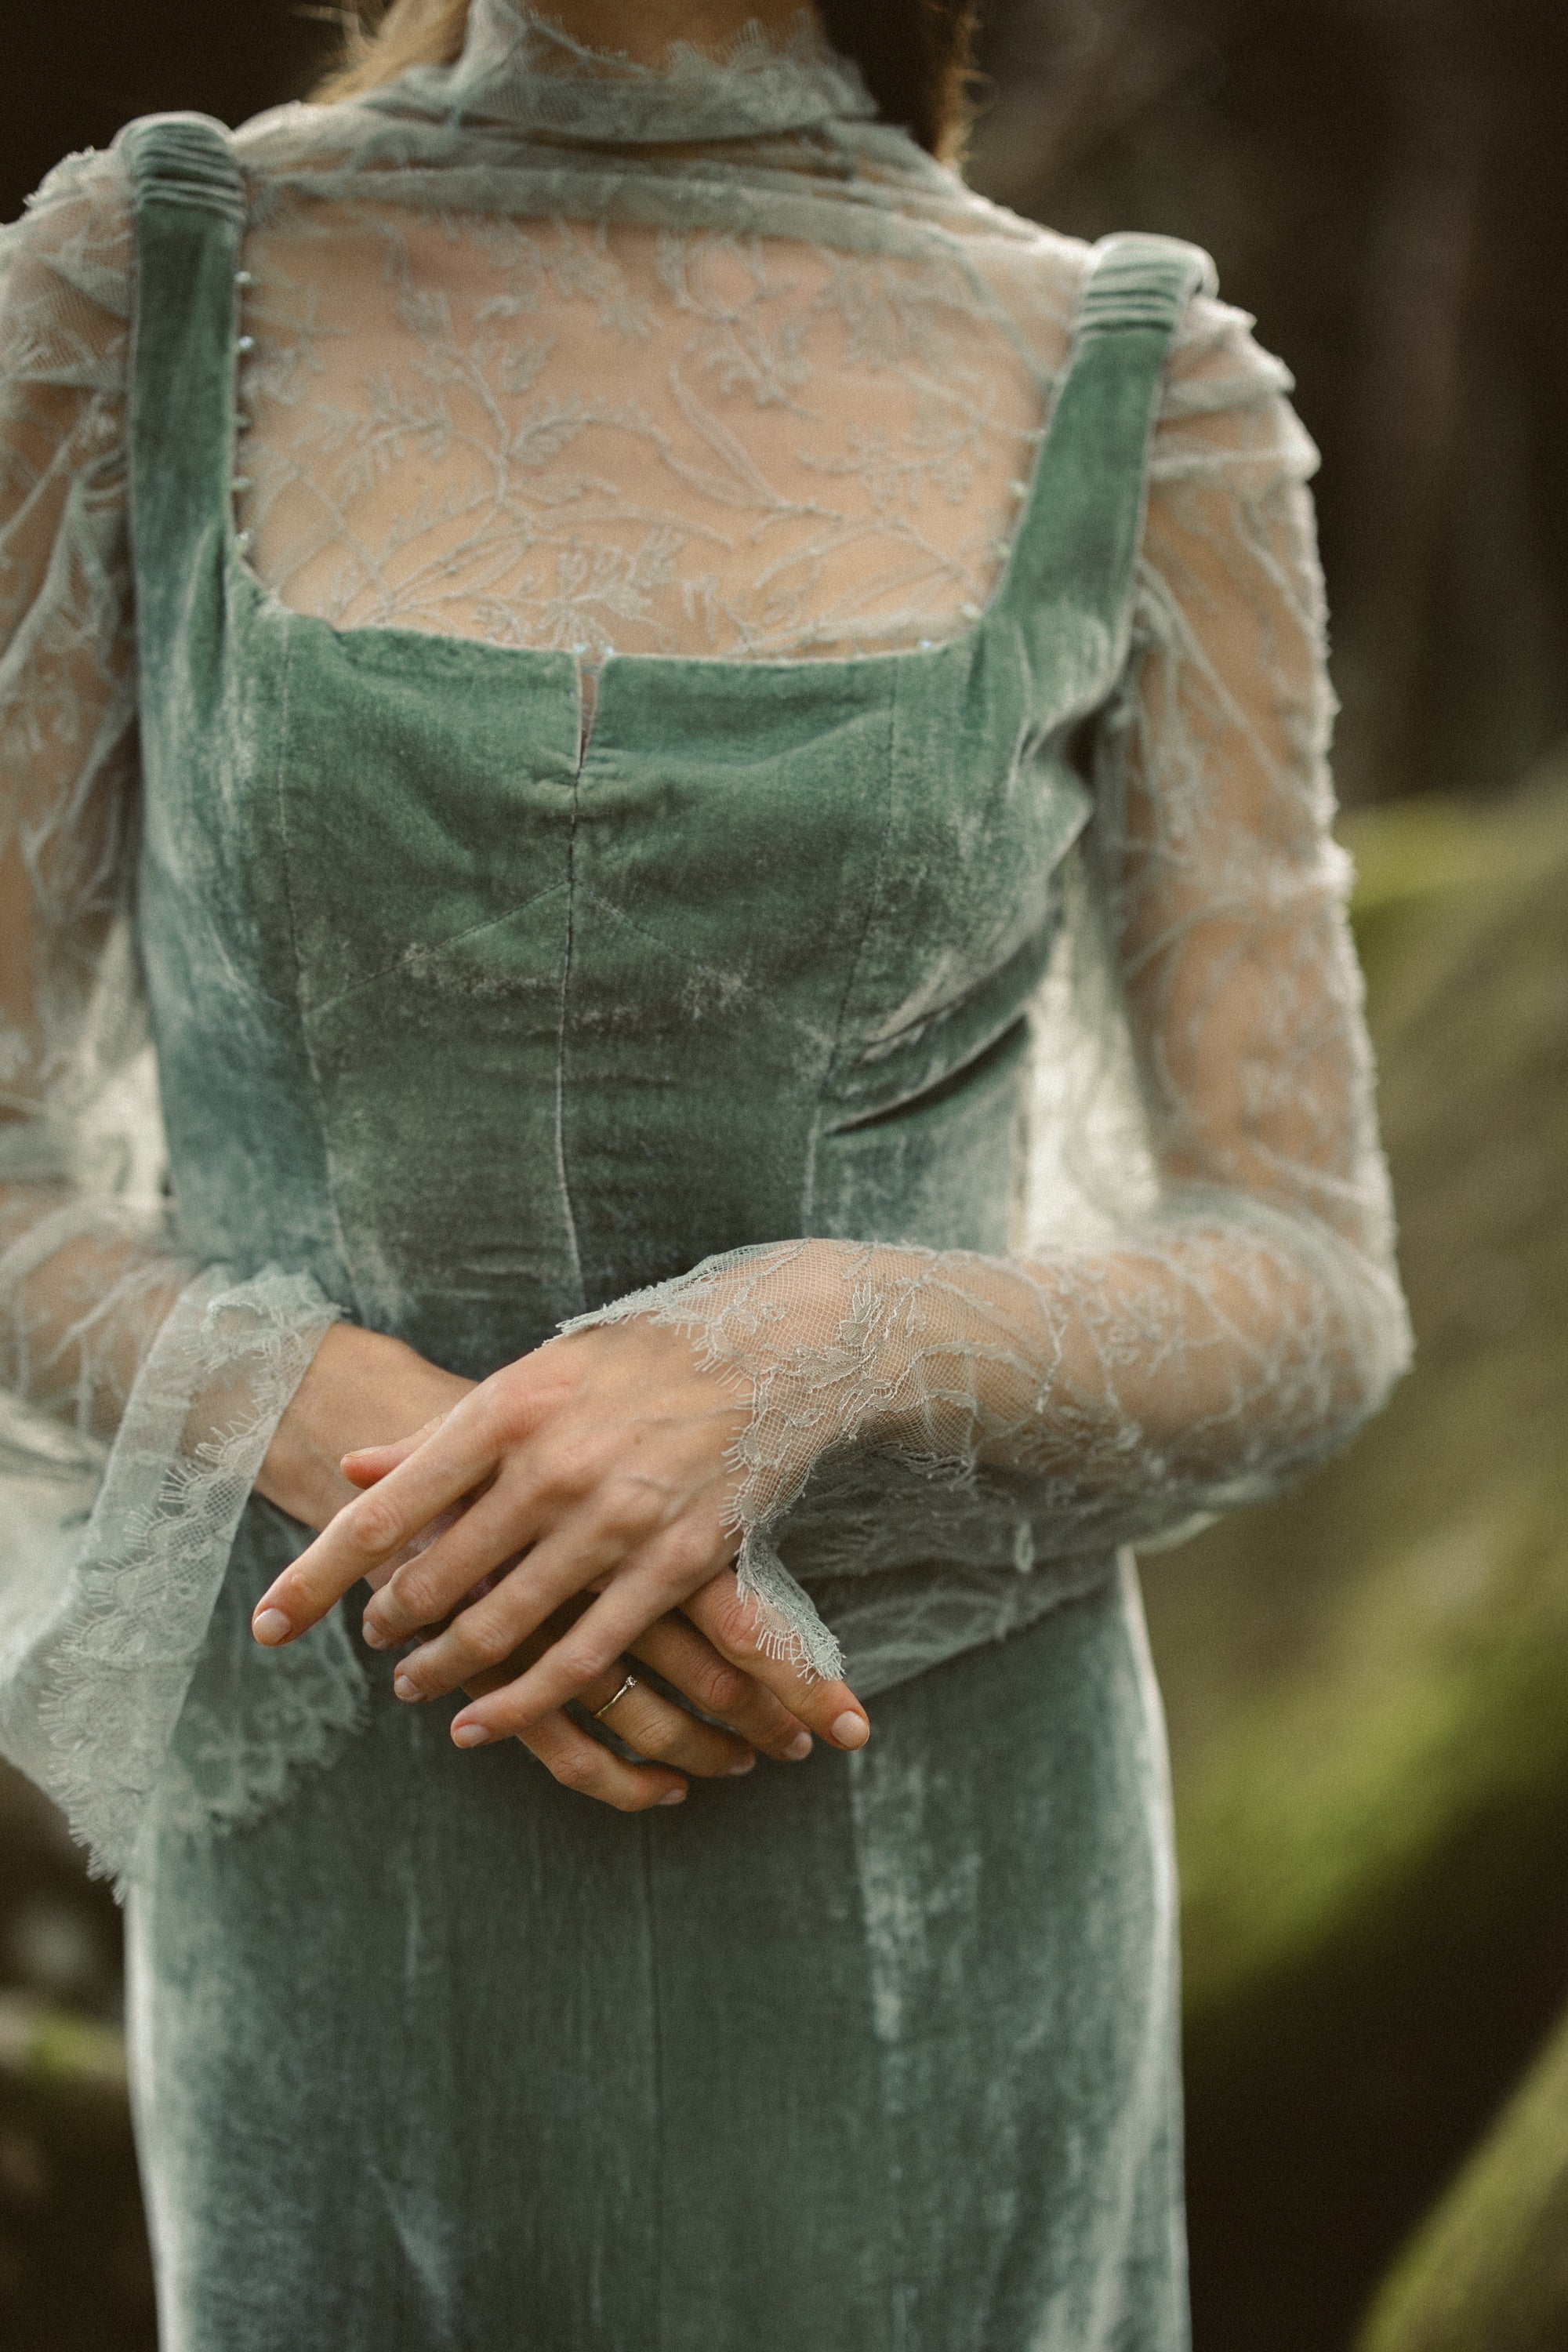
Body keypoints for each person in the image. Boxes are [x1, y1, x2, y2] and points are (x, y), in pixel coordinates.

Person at [0, 0, 1412, 2342]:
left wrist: (811, 1341)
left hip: (914, 1855)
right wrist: (384, 1451)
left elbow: (1313, 1268)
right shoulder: (130, 283)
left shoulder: (1139, 382)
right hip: (349, 1848)